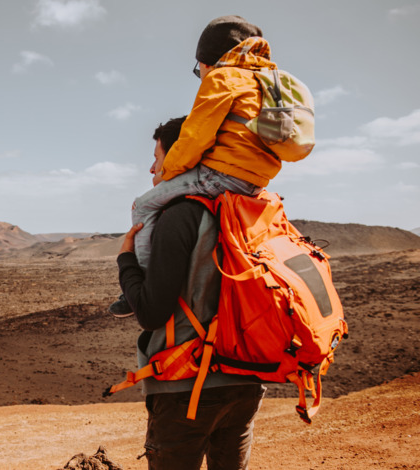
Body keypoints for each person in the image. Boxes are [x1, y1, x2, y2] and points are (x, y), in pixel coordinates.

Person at [115, 119, 266, 469]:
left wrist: (126, 260)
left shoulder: (180, 215)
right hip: (246, 379)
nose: (152, 167)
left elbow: (152, 313)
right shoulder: (244, 209)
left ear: (182, 156)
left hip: (188, 388)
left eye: (158, 156)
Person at [109, 15, 280, 317]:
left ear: (207, 62)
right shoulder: (264, 84)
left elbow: (194, 138)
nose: (152, 168)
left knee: (142, 206)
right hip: (257, 179)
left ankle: (142, 279)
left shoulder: (221, 79)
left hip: (224, 175)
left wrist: (169, 172)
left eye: (156, 158)